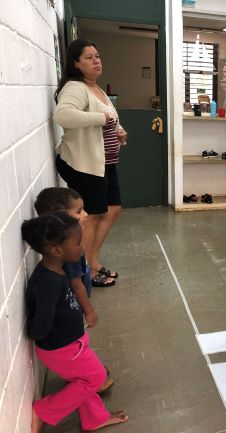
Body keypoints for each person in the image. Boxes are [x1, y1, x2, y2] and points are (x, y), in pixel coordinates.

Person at [22, 212, 128, 433]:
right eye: (78, 242)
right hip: (63, 349)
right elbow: (40, 325)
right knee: (96, 377)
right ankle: (43, 411)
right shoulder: (47, 282)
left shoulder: (57, 270)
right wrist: (36, 333)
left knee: (83, 380)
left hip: (73, 344)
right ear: (57, 250)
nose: (82, 246)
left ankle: (94, 418)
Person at [53, 38, 127, 288]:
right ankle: (84, 270)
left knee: (113, 210)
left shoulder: (97, 89)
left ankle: (92, 261)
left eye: (97, 56)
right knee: (92, 217)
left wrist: (119, 131)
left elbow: (109, 120)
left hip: (106, 163)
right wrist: (101, 118)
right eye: (89, 57)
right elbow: (63, 115)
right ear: (76, 63)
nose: (96, 61)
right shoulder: (75, 87)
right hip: (84, 165)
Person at [34, 187, 115, 327]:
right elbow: (76, 285)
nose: (85, 214)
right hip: (75, 307)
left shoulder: (69, 242)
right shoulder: (68, 251)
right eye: (79, 211)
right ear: (59, 218)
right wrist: (89, 311)